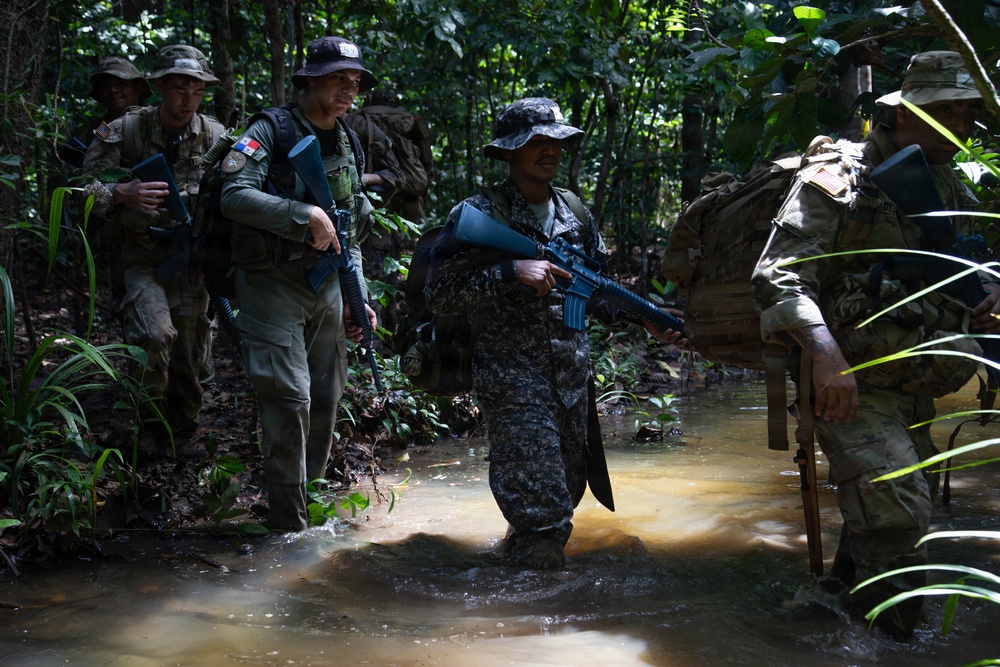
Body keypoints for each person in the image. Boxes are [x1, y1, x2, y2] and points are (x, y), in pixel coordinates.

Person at [751, 51, 990, 639]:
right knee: (900, 517)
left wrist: (984, 291)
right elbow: (778, 275)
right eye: (944, 110)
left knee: (885, 525)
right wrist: (827, 360)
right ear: (904, 113)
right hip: (851, 384)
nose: (959, 124)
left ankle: (831, 624)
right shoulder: (842, 177)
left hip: (915, 386)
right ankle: (899, 648)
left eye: (967, 111)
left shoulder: (949, 182)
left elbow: (946, 274)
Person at [424, 98, 683, 568]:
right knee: (544, 517)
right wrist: (508, 272)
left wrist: (645, 318)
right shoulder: (479, 215)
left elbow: (594, 287)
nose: (550, 151)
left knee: (561, 494)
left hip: (570, 381)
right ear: (508, 152)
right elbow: (439, 296)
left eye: (555, 141)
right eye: (536, 142)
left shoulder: (575, 212)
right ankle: (539, 618)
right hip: (512, 376)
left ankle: (517, 576)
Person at [219, 36, 379, 532]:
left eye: (354, 82)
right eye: (337, 80)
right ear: (308, 80)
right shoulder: (271, 130)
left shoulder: (348, 138)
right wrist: (301, 214)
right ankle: (288, 529)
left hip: (328, 285)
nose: (347, 90)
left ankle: (311, 509)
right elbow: (233, 196)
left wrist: (359, 299)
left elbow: (351, 225)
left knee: (326, 401)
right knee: (290, 399)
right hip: (272, 284)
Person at [82, 45, 226, 458]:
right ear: (159, 86)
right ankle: (147, 427)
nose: (188, 99)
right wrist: (119, 193)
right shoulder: (124, 130)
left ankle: (181, 433)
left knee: (190, 355)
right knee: (154, 334)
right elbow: (80, 190)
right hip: (141, 256)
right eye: (180, 89)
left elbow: (235, 196)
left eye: (197, 91)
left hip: (190, 259)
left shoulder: (215, 136)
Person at [64, 56, 153, 168]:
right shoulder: (101, 128)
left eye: (121, 84)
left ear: (138, 89)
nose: (113, 90)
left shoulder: (155, 119)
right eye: (106, 86)